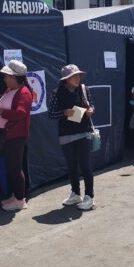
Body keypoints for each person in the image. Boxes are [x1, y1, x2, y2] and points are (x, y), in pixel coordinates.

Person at [48, 64, 95, 210]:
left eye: (78, 75)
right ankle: (75, 193)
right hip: (66, 134)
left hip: (84, 131)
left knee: (85, 164)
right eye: (73, 76)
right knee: (72, 166)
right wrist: (64, 113)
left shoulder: (84, 89)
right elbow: (51, 113)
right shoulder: (57, 92)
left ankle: (89, 196)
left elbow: (91, 106)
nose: (77, 78)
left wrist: (91, 111)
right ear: (66, 79)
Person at [0, 60, 33, 211]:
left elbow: (21, 113)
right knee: (11, 167)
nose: (4, 79)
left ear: (16, 77)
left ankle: (20, 200)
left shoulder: (24, 92)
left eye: (7, 76)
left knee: (15, 168)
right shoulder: (10, 90)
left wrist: (1, 112)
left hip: (17, 135)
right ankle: (15, 196)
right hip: (8, 134)